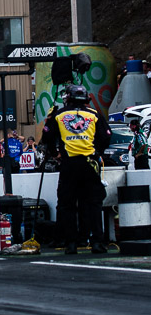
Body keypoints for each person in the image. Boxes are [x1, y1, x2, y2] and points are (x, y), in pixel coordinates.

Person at [42, 85, 111, 254]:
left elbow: (46, 137)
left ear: (68, 98)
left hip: (69, 164)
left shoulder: (59, 114)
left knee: (67, 205)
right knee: (93, 204)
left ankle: (71, 244)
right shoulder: (94, 115)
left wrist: (55, 153)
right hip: (89, 164)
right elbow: (106, 137)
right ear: (86, 99)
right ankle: (96, 243)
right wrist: (96, 152)